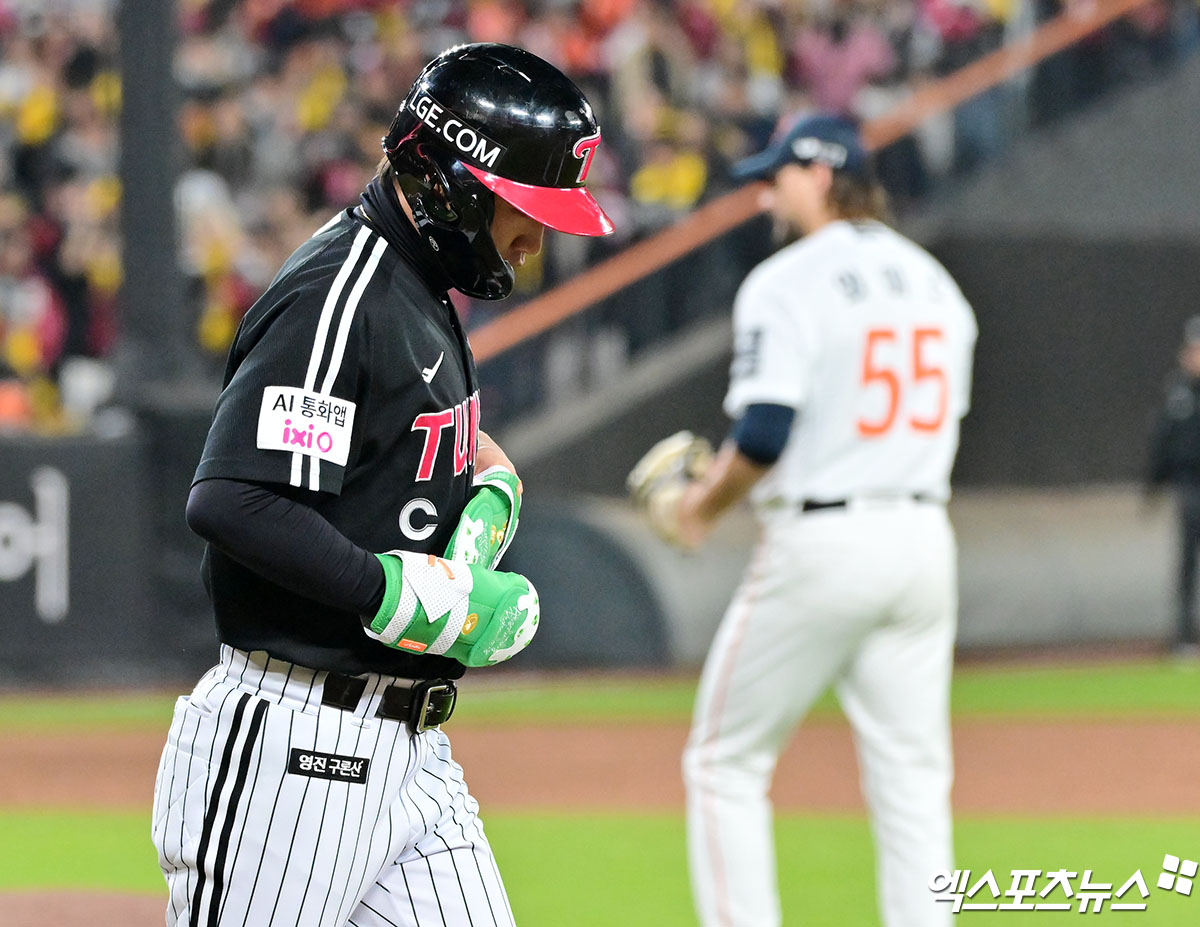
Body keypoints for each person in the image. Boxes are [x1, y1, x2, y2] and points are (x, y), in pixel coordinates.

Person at [151, 43, 613, 927]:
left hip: (411, 748)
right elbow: (233, 498)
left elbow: (384, 434)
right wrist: (396, 594)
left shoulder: (415, 285)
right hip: (294, 748)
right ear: (444, 183)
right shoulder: (342, 291)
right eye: (521, 208)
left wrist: (483, 490)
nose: (534, 238)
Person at [645, 115, 977, 926]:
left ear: (823, 174)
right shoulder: (939, 284)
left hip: (827, 540)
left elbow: (762, 434)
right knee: (913, 781)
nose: (767, 193)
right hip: (924, 537)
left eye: (779, 176)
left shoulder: (789, 279)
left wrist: (696, 507)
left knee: (725, 762)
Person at [1147, 315, 1200, 657]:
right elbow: (1162, 441)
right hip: (1189, 487)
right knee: (1187, 566)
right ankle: (1183, 637)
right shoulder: (1177, 391)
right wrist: (1152, 484)